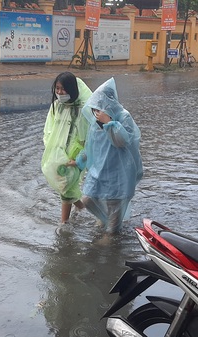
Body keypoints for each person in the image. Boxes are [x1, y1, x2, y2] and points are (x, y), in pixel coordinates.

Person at [74, 77, 143, 243]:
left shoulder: (123, 117)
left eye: (100, 107)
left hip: (119, 170)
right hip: (100, 169)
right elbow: (91, 145)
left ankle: (111, 235)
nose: (96, 111)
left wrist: (110, 123)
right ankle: (105, 219)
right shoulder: (95, 121)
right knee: (88, 199)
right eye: (95, 108)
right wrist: (79, 160)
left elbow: (122, 142)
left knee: (115, 204)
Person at [41, 72, 93, 224]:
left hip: (74, 156)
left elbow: (86, 138)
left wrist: (79, 159)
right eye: (57, 88)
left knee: (65, 186)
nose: (59, 92)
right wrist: (52, 150)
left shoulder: (81, 110)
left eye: (63, 89)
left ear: (72, 89)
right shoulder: (57, 106)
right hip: (58, 152)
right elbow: (49, 129)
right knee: (64, 185)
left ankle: (63, 224)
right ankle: (82, 206)